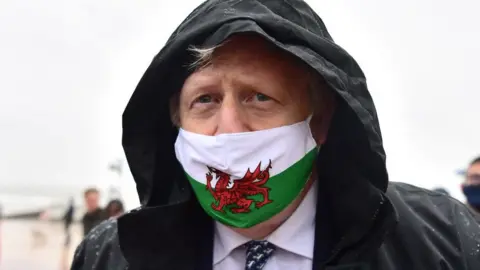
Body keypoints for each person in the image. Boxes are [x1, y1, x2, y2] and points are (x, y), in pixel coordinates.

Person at [71, 1, 480, 269]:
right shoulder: (109, 255)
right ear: (175, 123)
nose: (229, 127)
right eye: (205, 101)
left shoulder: (443, 244)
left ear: (319, 123)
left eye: (259, 97)